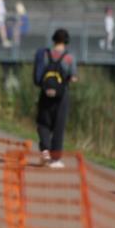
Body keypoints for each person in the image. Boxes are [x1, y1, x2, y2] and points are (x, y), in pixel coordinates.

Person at [33, 28, 78, 168]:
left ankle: (45, 150)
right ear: (66, 41)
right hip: (61, 95)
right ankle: (55, 159)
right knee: (58, 126)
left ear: (53, 39)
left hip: (45, 93)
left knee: (43, 122)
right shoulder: (69, 57)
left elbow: (38, 77)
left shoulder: (44, 54)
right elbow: (73, 77)